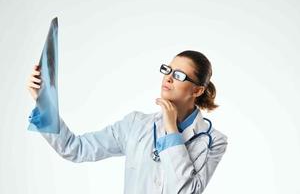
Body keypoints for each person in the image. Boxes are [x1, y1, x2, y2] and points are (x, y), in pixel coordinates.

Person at [27, 50, 228, 194]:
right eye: (168, 70)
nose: (168, 78)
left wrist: (171, 129)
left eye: (178, 75)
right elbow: (74, 148)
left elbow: (186, 191)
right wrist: (43, 101)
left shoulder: (214, 141)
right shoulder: (135, 125)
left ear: (197, 90)